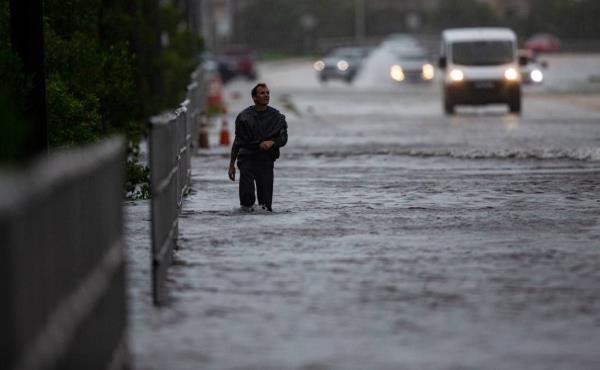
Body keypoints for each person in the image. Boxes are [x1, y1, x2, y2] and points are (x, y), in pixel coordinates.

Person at [228, 83, 288, 212]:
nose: (266, 95)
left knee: (265, 205)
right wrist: (231, 164)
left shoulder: (276, 117)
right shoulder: (244, 117)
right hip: (247, 161)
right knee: (246, 202)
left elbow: (283, 138)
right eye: (262, 93)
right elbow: (238, 141)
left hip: (266, 161)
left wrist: (272, 142)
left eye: (267, 93)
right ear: (254, 98)